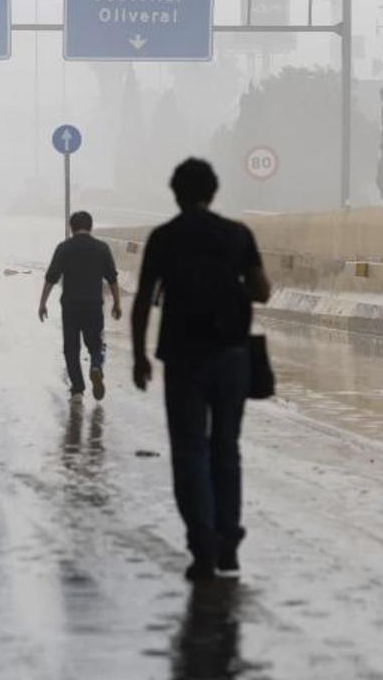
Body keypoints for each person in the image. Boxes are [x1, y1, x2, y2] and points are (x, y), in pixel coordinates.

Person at [131, 158, 271, 582]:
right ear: (214, 192)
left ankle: (203, 544)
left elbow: (143, 300)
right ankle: (229, 540)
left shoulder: (164, 238)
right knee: (226, 448)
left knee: (190, 449)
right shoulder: (237, 234)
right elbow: (262, 291)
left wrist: (139, 355)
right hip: (232, 356)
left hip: (183, 356)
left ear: (175, 193)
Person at [38, 211, 122, 402]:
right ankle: (95, 367)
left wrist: (42, 303)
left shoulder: (64, 248)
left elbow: (51, 277)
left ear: (71, 227)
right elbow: (112, 278)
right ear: (90, 227)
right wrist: (117, 303)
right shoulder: (102, 248)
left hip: (70, 306)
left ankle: (77, 390)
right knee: (96, 344)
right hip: (93, 305)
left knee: (71, 348)